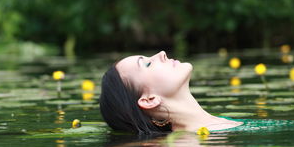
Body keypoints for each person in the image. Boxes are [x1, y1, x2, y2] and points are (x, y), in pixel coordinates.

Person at [99, 51, 243, 134]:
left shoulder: (220, 125)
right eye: (147, 64)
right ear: (149, 99)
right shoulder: (189, 144)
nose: (162, 54)